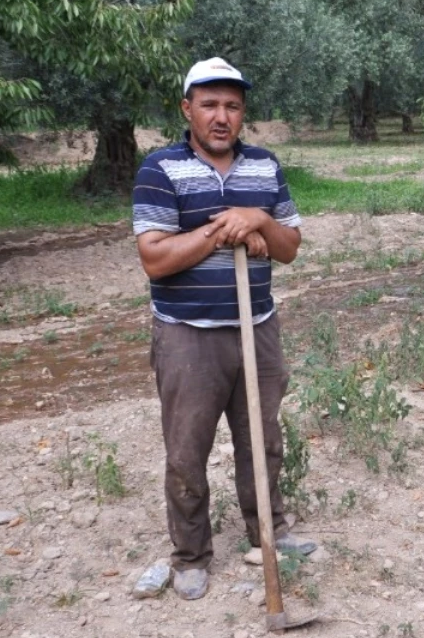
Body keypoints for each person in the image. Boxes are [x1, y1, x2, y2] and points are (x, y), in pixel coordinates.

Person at [131, 57, 314, 601]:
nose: (220, 117)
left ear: (242, 114)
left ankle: (269, 531)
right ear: (187, 108)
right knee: (186, 449)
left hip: (256, 325)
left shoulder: (265, 167)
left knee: (263, 438)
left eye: (231, 106)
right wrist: (223, 229)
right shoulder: (160, 170)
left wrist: (257, 220)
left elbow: (290, 248)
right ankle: (190, 554)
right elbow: (155, 258)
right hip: (188, 333)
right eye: (209, 104)